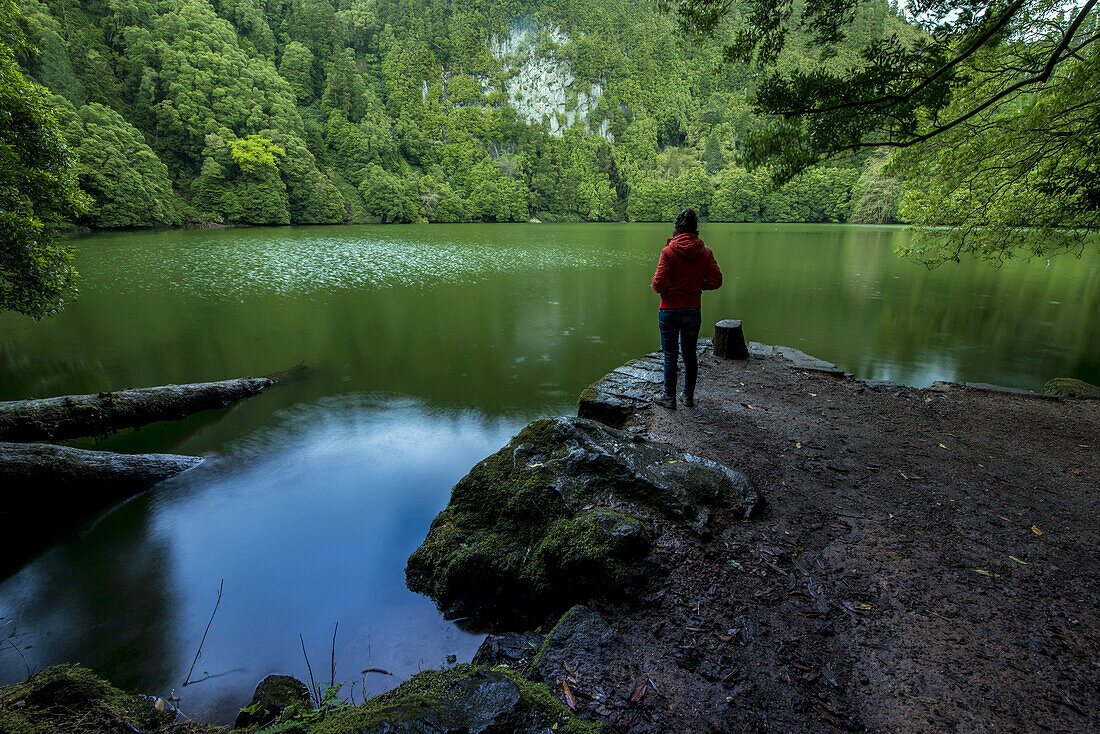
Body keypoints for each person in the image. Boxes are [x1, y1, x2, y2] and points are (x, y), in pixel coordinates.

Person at [650, 208, 722, 409]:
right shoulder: (705, 252)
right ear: (695, 229)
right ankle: (688, 396)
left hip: (669, 311)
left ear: (676, 229)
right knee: (690, 354)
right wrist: (698, 286)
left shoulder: (668, 251)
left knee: (670, 355)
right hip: (692, 310)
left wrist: (666, 287)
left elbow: (658, 285)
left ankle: (669, 397)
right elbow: (716, 281)